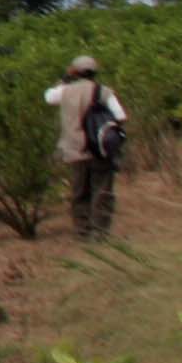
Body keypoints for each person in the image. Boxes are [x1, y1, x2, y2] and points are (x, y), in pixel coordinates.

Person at [45, 56, 127, 241]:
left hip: (74, 150)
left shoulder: (64, 91)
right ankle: (100, 232)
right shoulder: (103, 91)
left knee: (80, 192)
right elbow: (121, 116)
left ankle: (82, 231)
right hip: (101, 149)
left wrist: (65, 78)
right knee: (102, 191)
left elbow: (48, 97)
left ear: (75, 72)